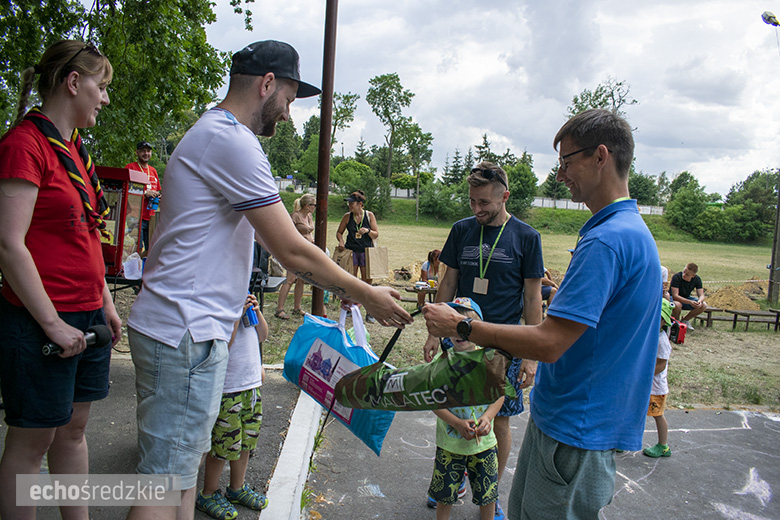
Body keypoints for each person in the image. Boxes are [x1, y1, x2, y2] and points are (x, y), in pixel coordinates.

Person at [125, 40, 411, 520]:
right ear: (267, 84)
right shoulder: (232, 141)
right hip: (185, 332)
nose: (289, 114)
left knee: (175, 481)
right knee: (163, 485)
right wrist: (365, 295)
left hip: (186, 329)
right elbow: (292, 250)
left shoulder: (211, 135)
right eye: (291, 99)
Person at [423, 109, 661, 520]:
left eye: (567, 161)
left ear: (600, 156)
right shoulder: (626, 231)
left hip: (575, 427)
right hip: (580, 422)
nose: (560, 174)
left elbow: (550, 341)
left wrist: (464, 326)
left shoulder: (606, 241)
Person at [0, 40, 122, 519]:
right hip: (40, 319)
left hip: (85, 313)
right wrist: (51, 323)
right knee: (33, 441)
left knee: (71, 431)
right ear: (74, 82)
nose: (105, 98)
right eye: (101, 86)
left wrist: (106, 303)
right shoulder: (24, 146)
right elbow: (9, 245)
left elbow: (88, 235)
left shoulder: (75, 152)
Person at [422, 161, 544, 518]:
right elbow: (447, 282)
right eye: (472, 202)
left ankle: (489, 492)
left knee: (498, 419)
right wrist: (434, 332)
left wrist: (532, 355)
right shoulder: (461, 230)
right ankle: (454, 480)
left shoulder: (526, 237)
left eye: (484, 203)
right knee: (453, 410)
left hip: (503, 344)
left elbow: (532, 298)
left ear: (504, 196)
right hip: (457, 340)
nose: (476, 209)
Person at [427, 298, 503, 520]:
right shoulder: (441, 362)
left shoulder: (489, 359)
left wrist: (488, 418)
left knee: (487, 496)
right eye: (455, 325)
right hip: (450, 445)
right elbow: (433, 401)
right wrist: (457, 423)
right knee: (445, 496)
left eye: (467, 324)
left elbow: (500, 394)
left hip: (485, 445)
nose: (460, 332)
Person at [197, 293, 269, 519]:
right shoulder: (222, 309)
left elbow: (262, 336)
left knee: (246, 441)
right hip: (228, 389)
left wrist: (256, 311)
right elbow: (223, 345)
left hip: (251, 386)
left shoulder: (247, 308)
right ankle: (208, 493)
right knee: (223, 444)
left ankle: (236, 488)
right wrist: (236, 316)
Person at [336, 189, 379, 322]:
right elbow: (339, 232)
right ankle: (349, 308)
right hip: (351, 251)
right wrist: (341, 241)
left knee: (367, 282)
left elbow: (376, 234)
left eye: (352, 203)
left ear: (360, 204)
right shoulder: (347, 216)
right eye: (349, 203)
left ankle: (369, 311)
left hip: (366, 251)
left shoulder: (369, 215)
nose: (349, 206)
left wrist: (367, 231)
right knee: (351, 281)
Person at [274, 193, 316, 319]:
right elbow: (286, 232)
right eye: (314, 205)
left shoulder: (309, 216)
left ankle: (297, 307)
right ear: (308, 206)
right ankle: (279, 309)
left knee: (301, 279)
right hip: (295, 251)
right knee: (290, 279)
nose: (315, 207)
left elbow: (309, 232)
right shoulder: (295, 216)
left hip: (306, 251)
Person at [643, 298, 674, 459]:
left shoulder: (662, 340)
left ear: (664, 320)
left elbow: (661, 364)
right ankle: (623, 441)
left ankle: (663, 446)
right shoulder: (649, 333)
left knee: (657, 414)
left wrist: (644, 375)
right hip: (644, 384)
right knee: (635, 410)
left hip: (655, 387)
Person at [125, 140, 160, 253]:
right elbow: (124, 189)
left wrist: (158, 196)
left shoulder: (153, 171)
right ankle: (133, 270)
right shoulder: (130, 168)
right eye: (143, 151)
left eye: (148, 151)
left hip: (150, 216)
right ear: (137, 152)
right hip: (134, 217)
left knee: (151, 250)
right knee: (135, 248)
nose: (146, 153)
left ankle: (145, 270)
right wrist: (145, 193)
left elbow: (157, 189)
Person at [670, 262, 707, 329]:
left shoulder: (697, 279)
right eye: (684, 272)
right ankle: (676, 322)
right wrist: (689, 302)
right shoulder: (676, 277)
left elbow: (701, 295)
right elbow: (675, 296)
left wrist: (699, 301)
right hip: (673, 298)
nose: (684, 275)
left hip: (686, 298)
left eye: (687, 274)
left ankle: (685, 320)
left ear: (693, 276)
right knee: (677, 304)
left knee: (703, 305)